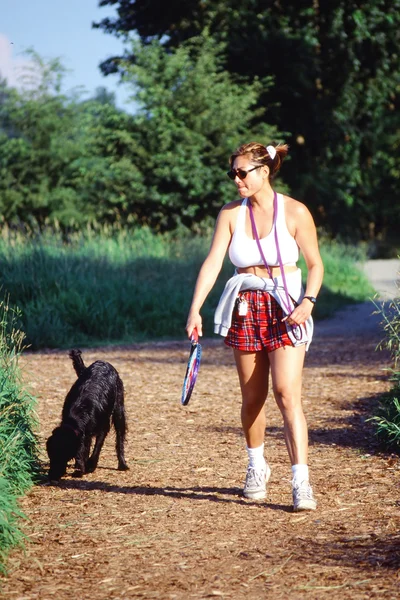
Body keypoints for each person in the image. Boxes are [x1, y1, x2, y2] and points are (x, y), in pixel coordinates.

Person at [185, 142, 324, 511]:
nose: (236, 179)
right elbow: (214, 262)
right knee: (252, 398)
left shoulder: (295, 211)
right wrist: (195, 309)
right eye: (232, 173)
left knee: (286, 393)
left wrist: (308, 302)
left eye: (242, 172)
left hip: (287, 308)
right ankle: (256, 466)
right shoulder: (231, 214)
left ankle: (301, 481)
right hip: (246, 307)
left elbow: (316, 264)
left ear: (264, 172)